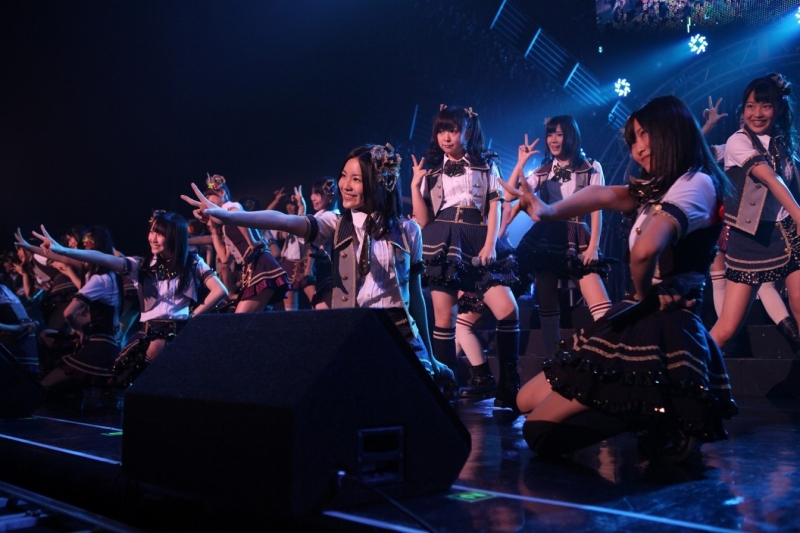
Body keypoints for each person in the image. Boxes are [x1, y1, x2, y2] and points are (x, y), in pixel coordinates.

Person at [504, 95, 738, 462]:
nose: (638, 148)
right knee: (524, 400)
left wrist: (642, 294)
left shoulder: (695, 184)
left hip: (665, 327)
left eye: (645, 134)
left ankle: (657, 414)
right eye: (633, 139)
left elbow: (645, 250)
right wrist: (547, 211)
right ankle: (644, 407)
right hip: (636, 316)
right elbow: (604, 194)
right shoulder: (661, 184)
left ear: (673, 131)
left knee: (539, 432)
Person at [183, 143, 454, 392]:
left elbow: (415, 297)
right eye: (344, 176)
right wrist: (229, 216)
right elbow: (283, 220)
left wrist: (430, 356)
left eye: (356, 179)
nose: (345, 185)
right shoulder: (336, 225)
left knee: (415, 396)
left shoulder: (408, 230)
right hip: (355, 325)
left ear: (379, 182)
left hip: (399, 327)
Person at [25, 212, 228, 385]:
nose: (153, 238)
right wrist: (63, 250)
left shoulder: (192, 262)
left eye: (160, 234)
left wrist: (193, 317)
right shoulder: (141, 265)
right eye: (152, 232)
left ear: (175, 237)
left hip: (172, 336)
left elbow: (220, 291)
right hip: (151, 334)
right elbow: (103, 258)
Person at [410, 105, 520, 409]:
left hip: (477, 236)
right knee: (444, 318)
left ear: (467, 131)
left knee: (508, 310)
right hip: (442, 238)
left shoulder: (485, 165)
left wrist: (491, 244)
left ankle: (509, 384)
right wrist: (415, 186)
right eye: (441, 130)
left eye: (453, 130)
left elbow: (495, 207)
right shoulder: (432, 169)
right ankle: (447, 388)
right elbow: (423, 220)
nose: (446, 137)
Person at [709, 74, 800, 356]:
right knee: (727, 329)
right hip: (751, 239)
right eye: (750, 106)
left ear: (779, 109)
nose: (757, 113)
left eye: (765, 105)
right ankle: (689, 370)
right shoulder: (737, 141)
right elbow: (771, 178)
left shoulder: (782, 143)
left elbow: (792, 183)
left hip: (789, 232)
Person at [507, 116, 613, 360]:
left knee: (601, 306)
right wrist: (521, 162)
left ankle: (604, 360)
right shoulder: (543, 171)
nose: (553, 140)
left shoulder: (591, 167)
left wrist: (594, 245)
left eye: (559, 134)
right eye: (550, 134)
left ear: (571, 136)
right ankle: (555, 365)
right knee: (547, 308)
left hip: (578, 234)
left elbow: (598, 208)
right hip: (546, 237)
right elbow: (509, 194)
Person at [202, 174, 289, 312]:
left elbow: (239, 217)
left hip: (260, 264)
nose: (207, 201)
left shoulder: (230, 206)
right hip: (251, 269)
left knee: (241, 318)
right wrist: (213, 230)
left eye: (209, 196)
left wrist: (252, 242)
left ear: (222, 193)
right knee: (250, 319)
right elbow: (224, 259)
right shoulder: (225, 223)